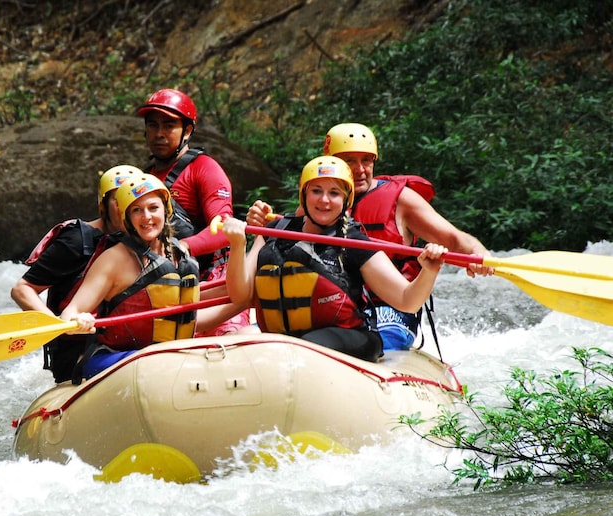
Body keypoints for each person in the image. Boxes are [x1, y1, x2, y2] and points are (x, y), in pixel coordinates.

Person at [246, 123, 492, 350]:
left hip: (389, 306)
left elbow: (455, 238)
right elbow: (283, 243)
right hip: (332, 307)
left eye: (367, 160)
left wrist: (479, 254)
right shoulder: (318, 204)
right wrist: (261, 223)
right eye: (349, 161)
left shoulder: (401, 200)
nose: (360, 170)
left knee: (371, 338)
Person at [222, 156, 448, 362]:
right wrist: (237, 244)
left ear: (346, 199)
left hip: (350, 338)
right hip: (288, 339)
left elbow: (407, 301)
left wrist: (428, 271)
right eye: (316, 191)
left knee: (304, 346)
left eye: (334, 193)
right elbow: (240, 294)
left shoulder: (353, 242)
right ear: (304, 194)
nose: (325, 200)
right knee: (241, 339)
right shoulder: (274, 232)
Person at [60, 174, 242, 379]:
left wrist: (240, 245)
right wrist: (78, 321)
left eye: (153, 208)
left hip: (168, 358)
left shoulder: (180, 256)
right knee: (158, 362)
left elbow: (196, 316)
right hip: (114, 358)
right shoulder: (113, 260)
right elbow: (69, 313)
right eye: (137, 210)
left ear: (166, 210)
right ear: (127, 218)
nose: (146, 217)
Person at [10, 165, 140, 383]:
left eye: (132, 203)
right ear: (103, 206)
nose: (125, 208)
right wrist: (59, 325)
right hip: (78, 349)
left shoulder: (146, 244)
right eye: (118, 201)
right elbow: (22, 289)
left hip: (122, 343)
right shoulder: (77, 241)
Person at [136, 88, 250, 335]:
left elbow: (221, 230)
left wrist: (183, 248)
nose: (159, 134)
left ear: (187, 130)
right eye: (153, 126)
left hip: (210, 281)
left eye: (169, 126)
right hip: (166, 282)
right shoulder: (145, 178)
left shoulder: (204, 169)